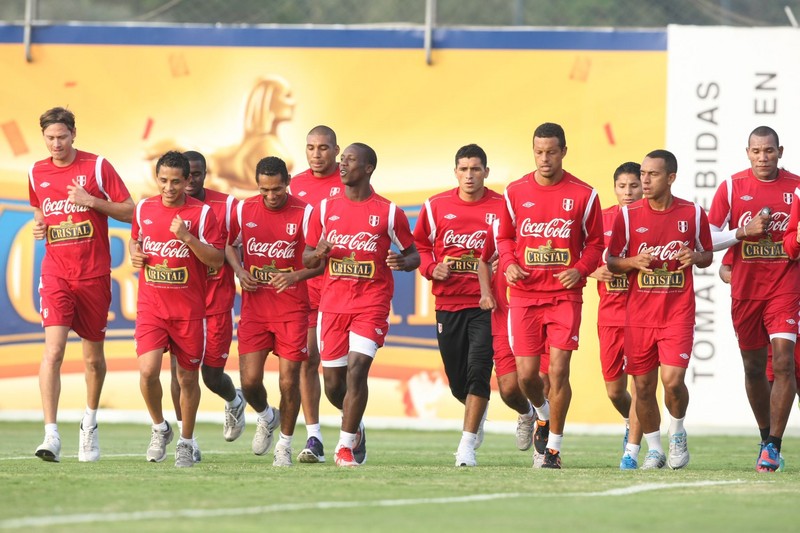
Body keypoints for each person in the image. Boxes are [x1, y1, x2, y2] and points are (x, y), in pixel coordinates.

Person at [302, 142, 420, 467]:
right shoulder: (325, 209)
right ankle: (355, 426)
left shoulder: (388, 212)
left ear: (368, 168)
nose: (341, 166)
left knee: (357, 371)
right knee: (333, 384)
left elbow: (414, 253)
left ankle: (343, 447)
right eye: (341, 161)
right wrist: (318, 254)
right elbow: (307, 256)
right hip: (333, 304)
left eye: (349, 161)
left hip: (371, 303)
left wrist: (403, 261)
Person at [29, 107, 134, 463]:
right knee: (54, 351)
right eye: (50, 138)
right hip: (55, 272)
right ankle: (51, 434)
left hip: (93, 275)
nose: (56, 144)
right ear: (43, 137)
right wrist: (40, 226)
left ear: (74, 133)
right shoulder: (36, 171)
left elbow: (131, 210)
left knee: (93, 358)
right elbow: (40, 209)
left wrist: (92, 202)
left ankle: (88, 423)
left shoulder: (97, 166)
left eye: (62, 137)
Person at [496, 122, 604, 469]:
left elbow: (596, 243)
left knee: (558, 370)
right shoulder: (514, 191)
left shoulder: (585, 194)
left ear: (563, 152)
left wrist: (582, 269)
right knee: (527, 377)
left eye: (551, 152)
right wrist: (510, 263)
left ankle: (553, 448)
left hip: (564, 296)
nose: (545, 159)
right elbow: (505, 238)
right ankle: (541, 413)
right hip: (525, 295)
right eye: (539, 152)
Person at [607, 149, 713, 470]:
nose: (645, 180)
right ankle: (654, 449)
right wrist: (632, 262)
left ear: (671, 178)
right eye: (643, 173)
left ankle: (677, 430)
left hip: (677, 312)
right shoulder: (627, 216)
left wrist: (695, 258)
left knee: (672, 381)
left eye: (652, 174)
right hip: (639, 316)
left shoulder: (693, 213)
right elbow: (612, 262)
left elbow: (706, 253)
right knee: (641, 387)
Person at [710, 126, 800, 472]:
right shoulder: (733, 187)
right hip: (746, 291)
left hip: (785, 287)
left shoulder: (795, 188)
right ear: (747, 153)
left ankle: (774, 446)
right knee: (752, 368)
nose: (763, 157)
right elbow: (707, 239)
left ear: (780, 151)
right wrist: (742, 232)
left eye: (769, 151)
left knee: (783, 362)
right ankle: (765, 436)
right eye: (756, 152)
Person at [129, 151, 224, 468]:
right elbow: (136, 242)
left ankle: (186, 441)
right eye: (163, 180)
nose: (169, 187)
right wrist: (136, 255)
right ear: (157, 179)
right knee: (148, 371)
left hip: (189, 312)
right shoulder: (144, 208)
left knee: (186, 379)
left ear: (187, 181)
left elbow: (216, 260)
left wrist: (186, 237)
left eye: (176, 181)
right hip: (152, 308)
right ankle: (160, 428)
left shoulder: (202, 214)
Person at [226, 156, 323, 466]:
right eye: (264, 190)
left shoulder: (305, 213)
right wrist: (240, 271)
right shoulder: (243, 209)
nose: (271, 196)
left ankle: (285, 443)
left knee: (288, 381)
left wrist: (295, 276)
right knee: (251, 382)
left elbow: (318, 260)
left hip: (293, 309)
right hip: (255, 309)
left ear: (288, 182)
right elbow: (229, 246)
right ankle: (267, 416)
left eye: (277, 189)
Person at [413, 144, 506, 467]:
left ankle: (465, 447)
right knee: (458, 381)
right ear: (456, 172)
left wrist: (501, 265)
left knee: (479, 371)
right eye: (464, 169)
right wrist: (431, 268)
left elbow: (513, 243)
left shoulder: (502, 206)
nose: (469, 175)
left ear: (486, 172)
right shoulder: (436, 205)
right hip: (448, 304)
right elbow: (420, 246)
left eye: (475, 169)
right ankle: (475, 414)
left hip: (485, 304)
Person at [166, 151, 243, 463]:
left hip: (215, 302)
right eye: (189, 174)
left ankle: (234, 399)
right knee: (179, 373)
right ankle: (188, 440)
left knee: (211, 376)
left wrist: (241, 271)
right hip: (181, 303)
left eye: (197, 174)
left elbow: (239, 245)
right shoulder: (162, 209)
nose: (192, 180)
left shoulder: (226, 207)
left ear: (202, 174)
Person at [287, 125, 341, 463]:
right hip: (304, 286)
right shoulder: (295, 185)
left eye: (323, 148)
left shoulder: (349, 182)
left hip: (339, 286)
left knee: (340, 370)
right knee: (308, 358)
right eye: (310, 147)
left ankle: (353, 425)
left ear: (336, 149)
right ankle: (314, 437)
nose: (316, 154)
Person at [588, 162, 643, 469]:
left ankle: (633, 449)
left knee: (641, 385)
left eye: (633, 186)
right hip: (609, 315)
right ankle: (630, 419)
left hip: (642, 314)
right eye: (622, 186)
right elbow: (587, 256)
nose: (627, 192)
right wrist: (596, 271)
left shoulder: (650, 218)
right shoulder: (604, 218)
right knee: (614, 390)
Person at [477, 218, 538, 455]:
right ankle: (527, 414)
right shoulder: (498, 226)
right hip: (504, 317)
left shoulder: (544, 225)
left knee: (542, 380)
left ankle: (545, 449)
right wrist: (486, 292)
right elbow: (483, 261)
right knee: (509, 389)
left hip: (537, 314)